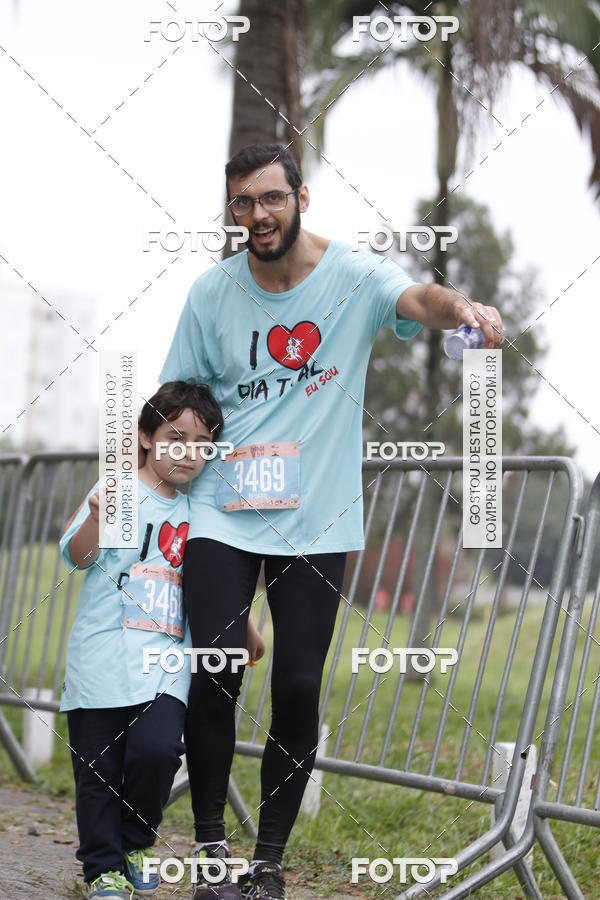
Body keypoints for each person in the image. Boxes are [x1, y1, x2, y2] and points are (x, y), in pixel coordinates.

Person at [158, 143, 505, 900]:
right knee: (215, 670)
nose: (257, 215)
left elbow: (419, 299)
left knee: (298, 684)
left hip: (318, 519)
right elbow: (173, 401)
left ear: (302, 198)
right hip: (221, 510)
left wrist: (464, 309)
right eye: (243, 202)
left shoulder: (352, 275)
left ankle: (268, 862)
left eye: (271, 198)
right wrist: (148, 493)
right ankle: (212, 851)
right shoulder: (211, 294)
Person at [59, 381, 265, 900]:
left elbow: (211, 582)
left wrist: (242, 624)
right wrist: (97, 520)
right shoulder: (120, 491)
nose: (189, 453)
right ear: (147, 437)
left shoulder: (200, 514)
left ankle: (135, 842)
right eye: (176, 438)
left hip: (166, 663)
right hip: (101, 658)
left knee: (157, 752)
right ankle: (103, 868)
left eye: (202, 444)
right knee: (98, 771)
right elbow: (78, 557)